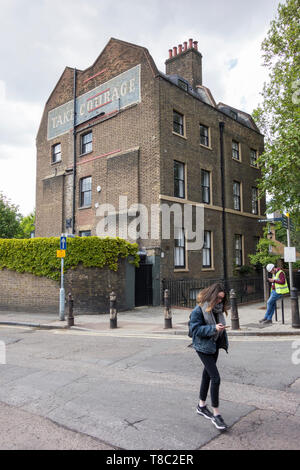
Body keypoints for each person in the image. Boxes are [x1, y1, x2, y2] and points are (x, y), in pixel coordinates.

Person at [189, 283, 229, 431]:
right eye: (218, 298)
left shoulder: (217, 309)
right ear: (212, 296)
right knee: (215, 377)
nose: (220, 301)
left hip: (214, 345)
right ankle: (216, 414)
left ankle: (201, 406)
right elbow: (195, 329)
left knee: (207, 375)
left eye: (222, 299)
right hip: (202, 347)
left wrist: (220, 331)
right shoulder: (198, 310)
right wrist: (213, 328)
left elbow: (219, 326)